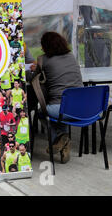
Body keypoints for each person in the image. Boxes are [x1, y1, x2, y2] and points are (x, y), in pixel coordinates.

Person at [33, 32, 83, 163]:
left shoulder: (43, 60)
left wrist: (33, 69)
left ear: (46, 46)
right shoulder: (71, 56)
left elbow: (31, 78)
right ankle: (63, 142)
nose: (41, 48)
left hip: (60, 107)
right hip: (82, 108)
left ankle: (60, 137)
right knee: (62, 111)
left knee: (41, 112)